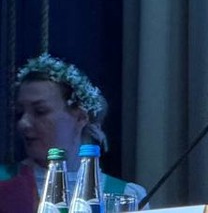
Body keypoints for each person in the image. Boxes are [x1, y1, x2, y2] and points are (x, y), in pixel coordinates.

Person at [0, 54, 148, 212]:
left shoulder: (126, 196)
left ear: (80, 117)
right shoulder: (4, 182)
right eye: (20, 113)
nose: (23, 123)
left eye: (40, 111)